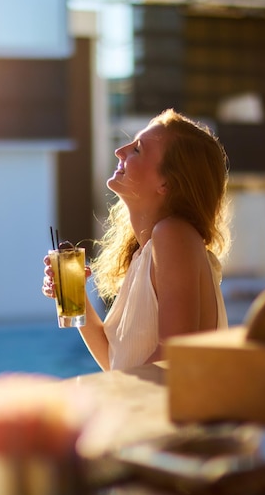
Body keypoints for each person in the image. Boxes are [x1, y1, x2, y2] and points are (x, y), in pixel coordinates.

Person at [42, 108, 231, 370]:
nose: (120, 151)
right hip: (143, 403)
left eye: (138, 150)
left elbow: (173, 356)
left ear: (166, 183)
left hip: (160, 409)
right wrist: (76, 299)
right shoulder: (145, 252)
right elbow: (113, 361)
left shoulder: (173, 236)